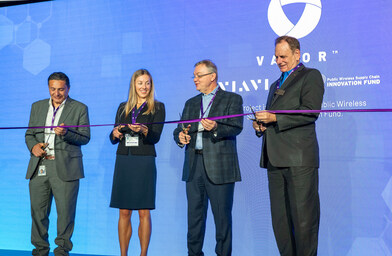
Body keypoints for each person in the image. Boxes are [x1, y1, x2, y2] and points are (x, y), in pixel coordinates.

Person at [253, 36, 324, 256]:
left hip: (299, 160)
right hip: (275, 160)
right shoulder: (275, 84)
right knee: (281, 224)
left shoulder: (310, 76)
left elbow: (310, 111)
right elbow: (273, 118)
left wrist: (275, 119)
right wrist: (261, 126)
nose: (279, 61)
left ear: (297, 54)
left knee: (304, 223)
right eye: (276, 56)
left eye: (283, 56)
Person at [173, 60, 243, 256]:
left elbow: (236, 126)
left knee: (222, 222)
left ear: (212, 76)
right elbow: (179, 129)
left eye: (199, 75)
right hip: (194, 167)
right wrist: (180, 136)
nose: (195, 79)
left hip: (220, 168)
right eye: (194, 76)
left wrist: (216, 127)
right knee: (194, 220)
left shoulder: (232, 99)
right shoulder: (191, 103)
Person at [25, 72, 90, 256]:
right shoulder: (37, 107)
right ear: (48, 88)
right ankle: (40, 251)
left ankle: (62, 251)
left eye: (61, 89)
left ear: (68, 88)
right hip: (40, 166)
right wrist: (34, 147)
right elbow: (29, 134)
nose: (57, 93)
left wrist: (66, 133)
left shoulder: (79, 108)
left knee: (66, 215)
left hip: (66, 168)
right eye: (53, 89)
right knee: (38, 214)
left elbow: (85, 137)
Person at [110, 69, 165, 256]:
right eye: (140, 83)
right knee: (124, 211)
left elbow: (156, 137)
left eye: (147, 83)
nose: (144, 87)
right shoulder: (122, 107)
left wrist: (143, 130)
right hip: (124, 159)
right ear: (134, 85)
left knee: (144, 212)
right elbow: (113, 136)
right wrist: (115, 133)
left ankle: (143, 254)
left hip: (144, 160)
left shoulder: (158, 107)